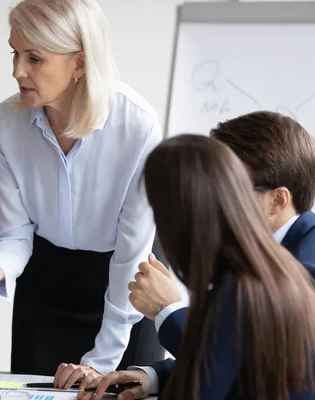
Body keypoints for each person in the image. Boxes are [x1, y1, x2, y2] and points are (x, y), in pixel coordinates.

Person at [0, 0, 161, 384]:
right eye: (15, 53)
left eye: (35, 58)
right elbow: (17, 233)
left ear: (80, 63)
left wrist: (102, 361)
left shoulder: (138, 127)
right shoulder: (3, 124)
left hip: (127, 285)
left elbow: (131, 253)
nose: (17, 70)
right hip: (46, 282)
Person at [79, 134, 315, 400]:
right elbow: (235, 364)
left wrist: (168, 310)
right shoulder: (262, 269)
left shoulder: (244, 285)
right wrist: (155, 377)